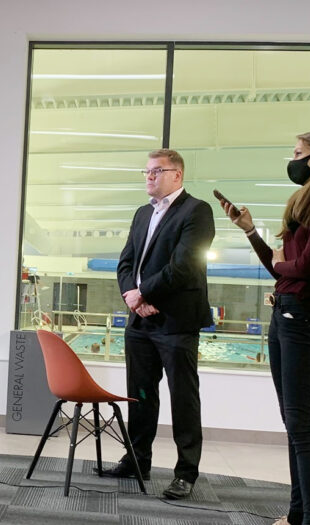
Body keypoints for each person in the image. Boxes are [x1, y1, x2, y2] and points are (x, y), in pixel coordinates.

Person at [222, 131, 310, 525]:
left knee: (302, 426)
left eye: (299, 153)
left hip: (305, 317)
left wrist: (285, 264)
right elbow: (281, 269)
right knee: (293, 423)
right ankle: (297, 515)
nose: (293, 159)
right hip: (285, 312)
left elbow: (306, 268)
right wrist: (250, 231)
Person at [99, 148, 214, 500]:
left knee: (183, 398)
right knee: (141, 393)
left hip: (176, 321)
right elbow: (126, 262)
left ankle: (185, 472)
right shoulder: (141, 214)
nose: (149, 176)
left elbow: (184, 266)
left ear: (177, 175)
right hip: (140, 323)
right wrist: (131, 295)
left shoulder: (197, 211)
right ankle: (137, 460)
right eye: (146, 171)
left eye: (157, 171)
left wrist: (143, 294)